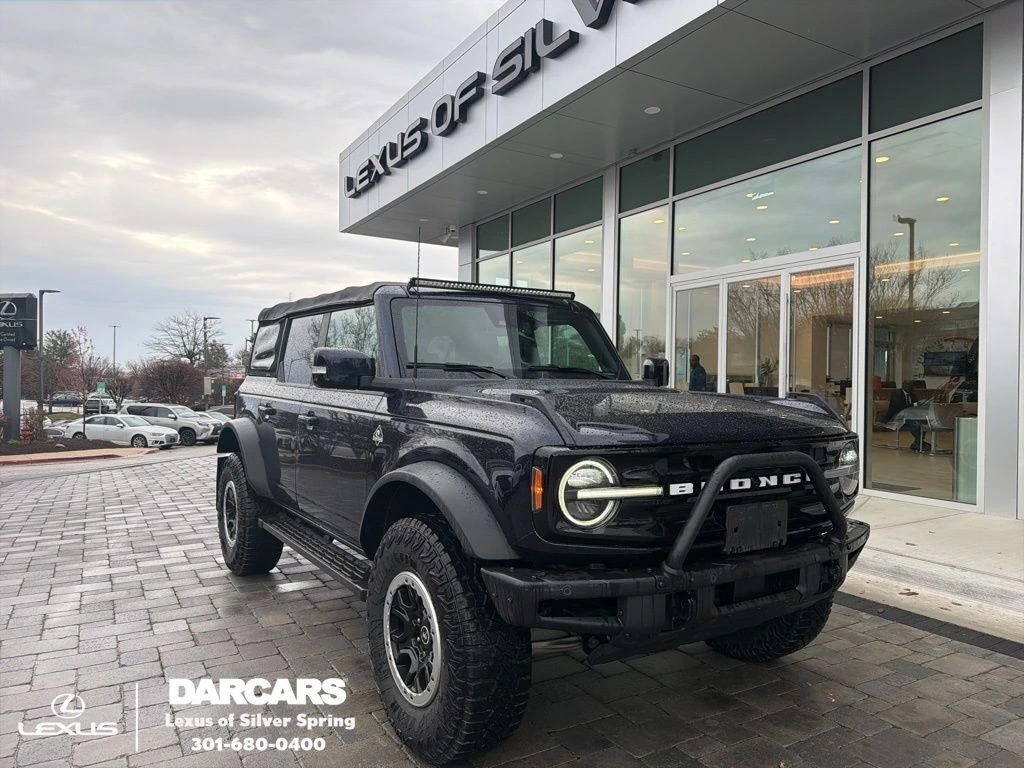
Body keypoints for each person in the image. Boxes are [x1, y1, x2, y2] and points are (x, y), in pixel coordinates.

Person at [885, 380, 929, 451]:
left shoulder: (913, 395)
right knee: (915, 424)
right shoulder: (896, 394)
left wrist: (920, 404)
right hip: (897, 416)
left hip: (909, 416)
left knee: (921, 424)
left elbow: (915, 407)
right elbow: (899, 407)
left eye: (911, 386)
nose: (909, 387)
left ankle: (918, 443)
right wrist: (913, 404)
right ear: (903, 386)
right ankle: (919, 443)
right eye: (907, 385)